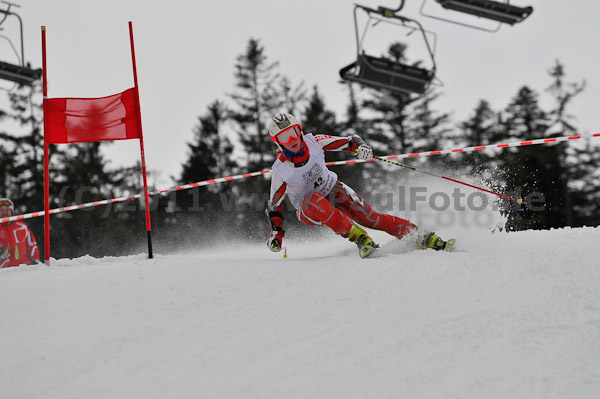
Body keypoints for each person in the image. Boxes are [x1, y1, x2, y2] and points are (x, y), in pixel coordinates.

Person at [265, 112, 454, 259]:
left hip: (333, 189)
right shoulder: (281, 170)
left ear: (300, 130)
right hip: (309, 210)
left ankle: (422, 236)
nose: (292, 140)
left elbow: (349, 141)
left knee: (370, 218)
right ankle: (360, 238)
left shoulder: (314, 141)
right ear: (278, 143)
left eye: (294, 133)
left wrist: (361, 147)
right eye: (284, 138)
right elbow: (275, 205)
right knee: (312, 199)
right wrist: (277, 233)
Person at [0, 198, 40, 268]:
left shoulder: (21, 226)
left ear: (11, 211)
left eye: (7, 210)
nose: (4, 213)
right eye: (1, 210)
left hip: (24, 267)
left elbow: (32, 244)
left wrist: (35, 259)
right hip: (4, 270)